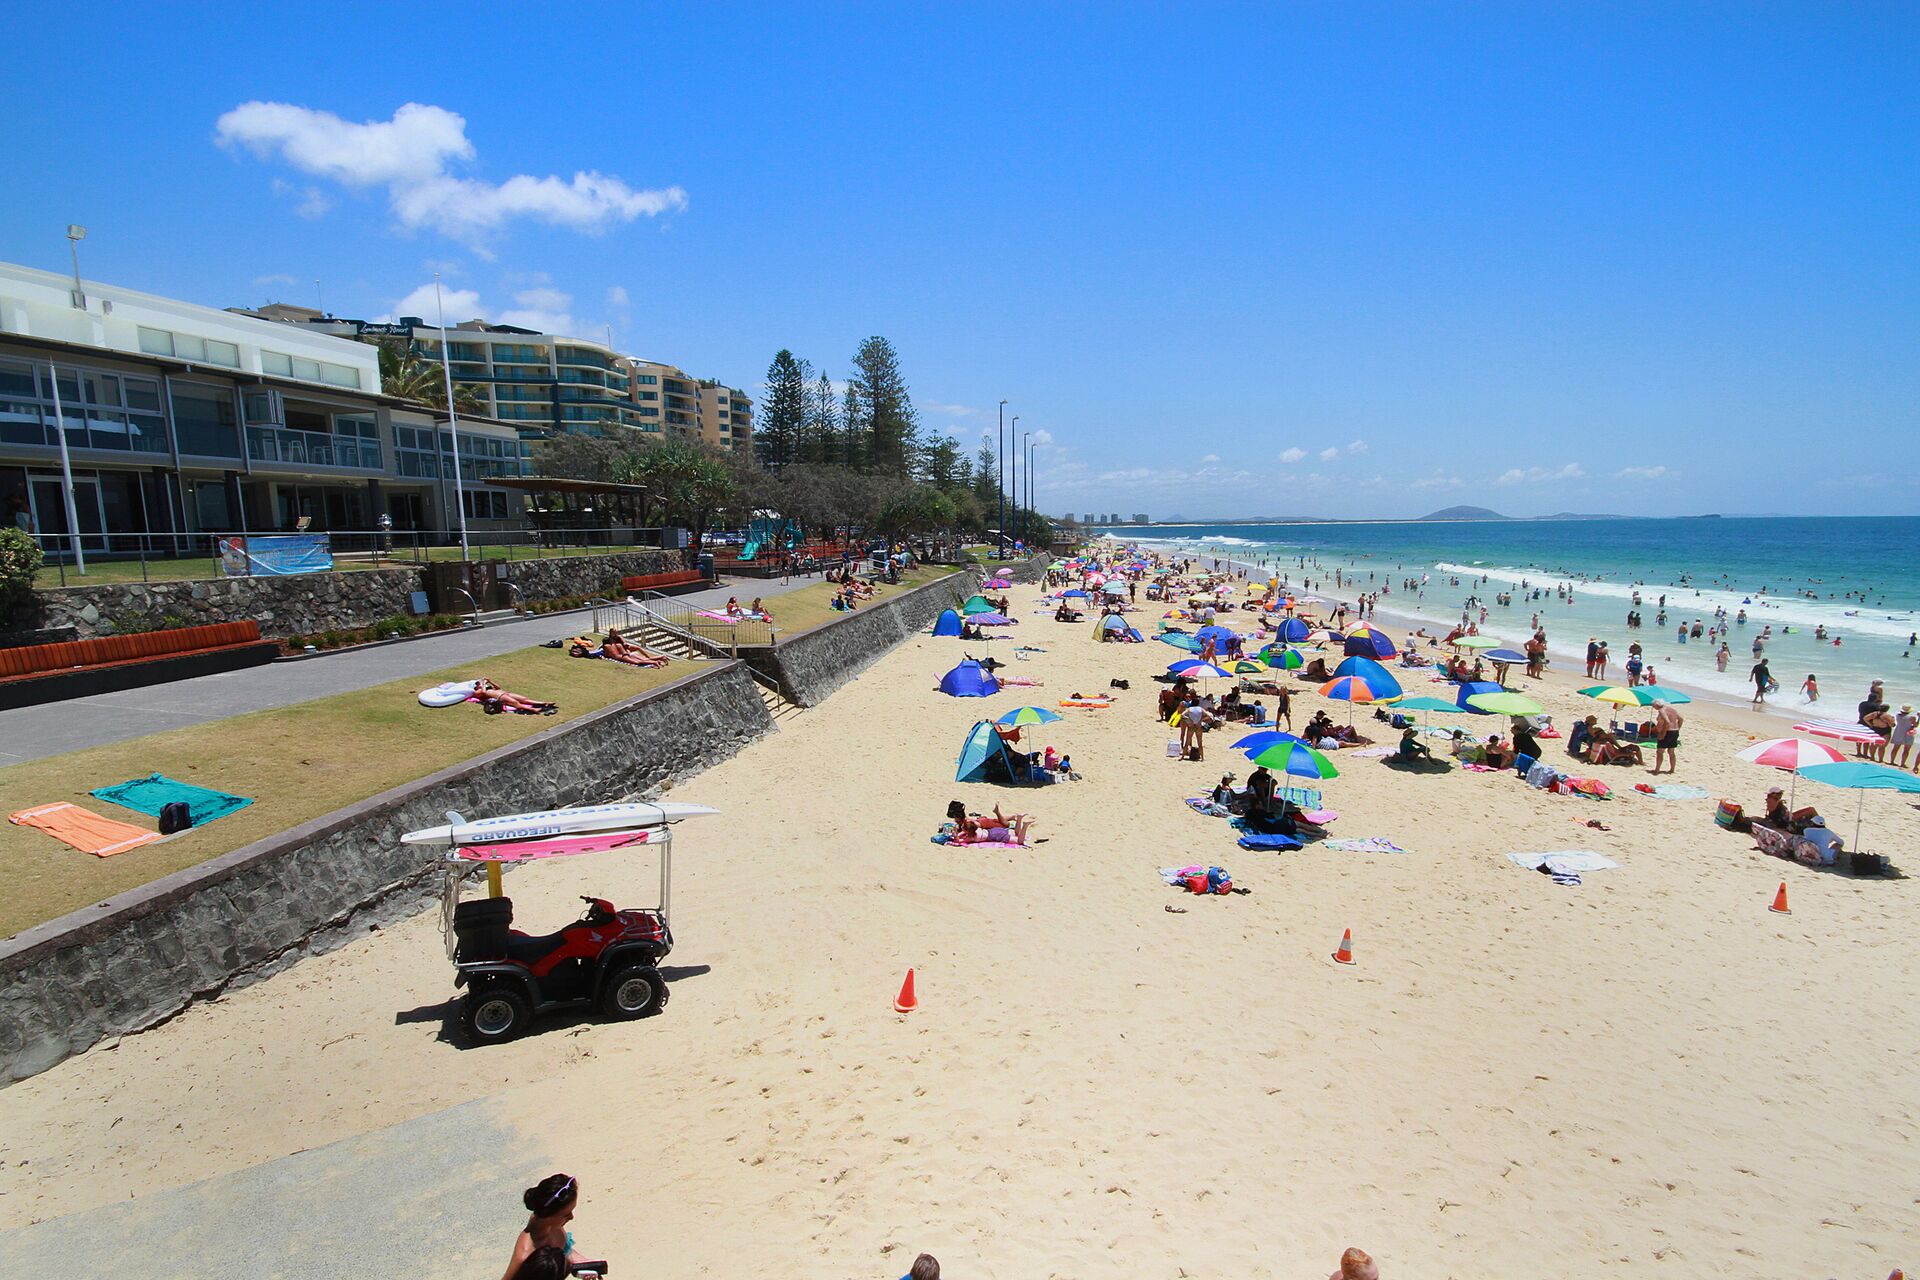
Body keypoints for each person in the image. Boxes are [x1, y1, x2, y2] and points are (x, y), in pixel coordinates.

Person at [501, 1174, 583, 1280]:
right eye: (566, 1214)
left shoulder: (548, 1223)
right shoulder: (525, 1256)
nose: (572, 1217)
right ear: (548, 1215)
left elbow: (567, 1252)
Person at [472, 678, 557, 716]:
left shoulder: (487, 687)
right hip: (501, 697)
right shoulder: (477, 691)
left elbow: (498, 687)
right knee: (516, 703)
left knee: (524, 699)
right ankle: (532, 709)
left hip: (506, 693)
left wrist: (490, 681)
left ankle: (543, 703)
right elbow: (483, 692)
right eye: (479, 684)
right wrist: (483, 684)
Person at [602, 628, 671, 669]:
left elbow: (624, 644)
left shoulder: (610, 645)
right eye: (614, 632)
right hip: (625, 653)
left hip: (623, 655)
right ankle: (660, 657)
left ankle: (655, 662)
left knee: (638, 662)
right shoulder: (617, 644)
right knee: (644, 659)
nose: (615, 633)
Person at [1650, 698, 1683, 774]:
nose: (1653, 707)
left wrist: (1663, 734)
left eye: (1653, 706)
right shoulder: (1672, 709)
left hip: (1667, 732)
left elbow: (1667, 722)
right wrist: (1677, 729)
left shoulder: (1662, 711)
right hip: (1674, 731)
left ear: (1657, 705)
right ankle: (1672, 769)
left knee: (1660, 752)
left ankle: (1657, 770)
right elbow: (1681, 719)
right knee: (1671, 751)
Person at [1890, 704, 1917, 770]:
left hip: (1899, 732)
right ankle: (1902, 763)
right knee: (1906, 750)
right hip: (1908, 733)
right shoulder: (1912, 717)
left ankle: (1892, 761)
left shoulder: (1897, 715)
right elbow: (1915, 725)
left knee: (1895, 748)